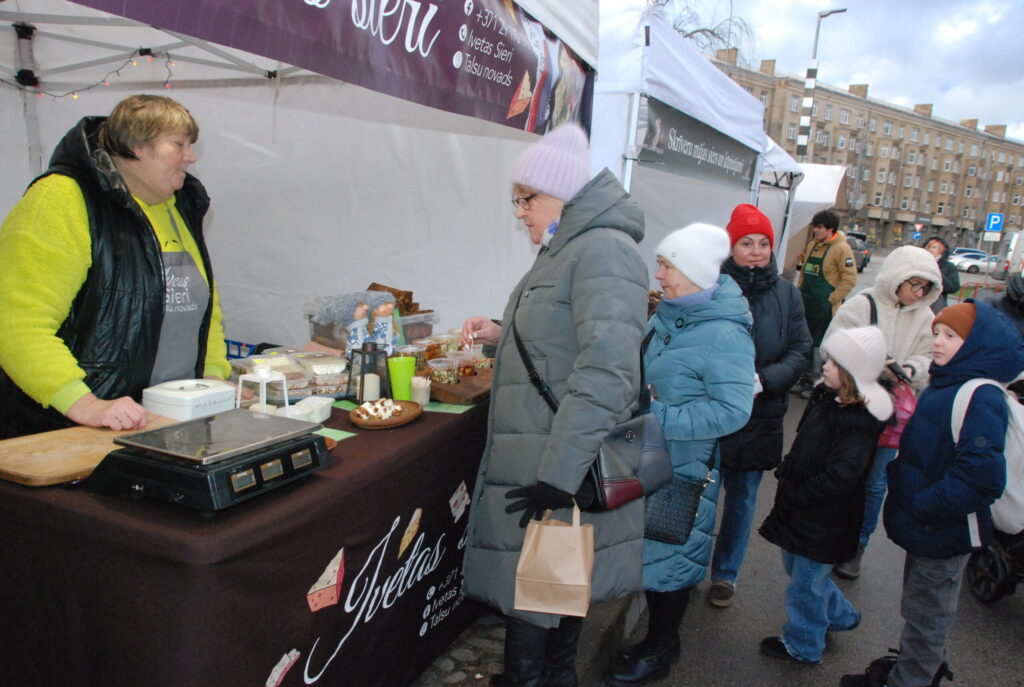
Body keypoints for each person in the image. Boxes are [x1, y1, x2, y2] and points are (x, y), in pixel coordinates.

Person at [458, 123, 649, 687]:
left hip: (561, 463)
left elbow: (609, 373)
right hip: (545, 457)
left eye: (527, 199)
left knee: (543, 597)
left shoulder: (603, 250)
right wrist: (502, 332)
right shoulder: (567, 248)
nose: (520, 212)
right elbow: (567, 337)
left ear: (563, 195)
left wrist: (560, 475)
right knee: (549, 595)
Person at [0, 94, 230, 439]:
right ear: (137, 146)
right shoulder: (62, 199)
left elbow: (203, 309)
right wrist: (87, 405)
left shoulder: (177, 207)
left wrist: (212, 379)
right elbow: (18, 323)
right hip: (69, 427)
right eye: (179, 144)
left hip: (164, 423)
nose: (190, 157)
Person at [839, 301, 1024, 687]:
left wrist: (923, 504)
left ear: (977, 344)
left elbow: (982, 477)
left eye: (950, 336)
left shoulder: (979, 395)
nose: (937, 342)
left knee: (929, 615)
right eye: (936, 332)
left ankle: (912, 679)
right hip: (928, 525)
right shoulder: (948, 382)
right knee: (919, 607)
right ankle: (914, 669)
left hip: (944, 528)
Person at [608, 223, 755, 684]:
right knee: (652, 552)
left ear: (693, 272)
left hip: (684, 465)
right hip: (647, 455)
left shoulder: (725, 335)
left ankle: (662, 647)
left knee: (672, 557)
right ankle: (654, 640)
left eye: (668, 266)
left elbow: (734, 411)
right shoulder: (667, 315)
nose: (660, 275)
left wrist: (657, 415)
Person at [758, 326, 892, 665]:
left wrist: (802, 491)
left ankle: (803, 644)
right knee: (799, 570)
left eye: (835, 362)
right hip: (806, 511)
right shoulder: (827, 398)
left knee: (804, 585)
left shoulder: (857, 420)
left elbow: (842, 474)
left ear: (852, 374)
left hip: (824, 517)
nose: (825, 365)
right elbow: (807, 443)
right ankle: (841, 615)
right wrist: (790, 467)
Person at [707, 204, 812, 609]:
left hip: (760, 415)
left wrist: (762, 380)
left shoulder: (788, 294)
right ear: (731, 248)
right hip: (713, 415)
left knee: (742, 500)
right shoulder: (711, 286)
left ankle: (725, 575)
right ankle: (687, 570)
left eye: (763, 242)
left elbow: (802, 349)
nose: (756, 250)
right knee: (702, 497)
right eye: (746, 242)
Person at [825, 246, 942, 579]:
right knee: (844, 473)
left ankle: (858, 546)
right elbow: (832, 343)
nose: (918, 293)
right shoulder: (863, 304)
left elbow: (929, 359)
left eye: (924, 287)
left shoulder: (926, 316)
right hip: (854, 406)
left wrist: (908, 368)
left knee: (876, 482)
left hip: (893, 412)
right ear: (897, 277)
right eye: (914, 284)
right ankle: (833, 536)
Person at [794, 211, 858, 397]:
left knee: (818, 347)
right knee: (804, 342)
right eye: (814, 226)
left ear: (830, 229)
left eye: (819, 227)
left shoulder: (842, 249)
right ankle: (803, 378)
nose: (815, 230)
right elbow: (804, 275)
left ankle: (815, 382)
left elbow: (850, 279)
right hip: (806, 302)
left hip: (824, 307)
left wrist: (832, 298)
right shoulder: (813, 245)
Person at [923, 236, 960, 313]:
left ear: (942, 250)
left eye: (934, 247)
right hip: (917, 304)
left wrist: (937, 274)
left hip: (936, 307)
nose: (930, 250)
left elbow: (954, 288)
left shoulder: (948, 266)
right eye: (928, 247)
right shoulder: (918, 262)